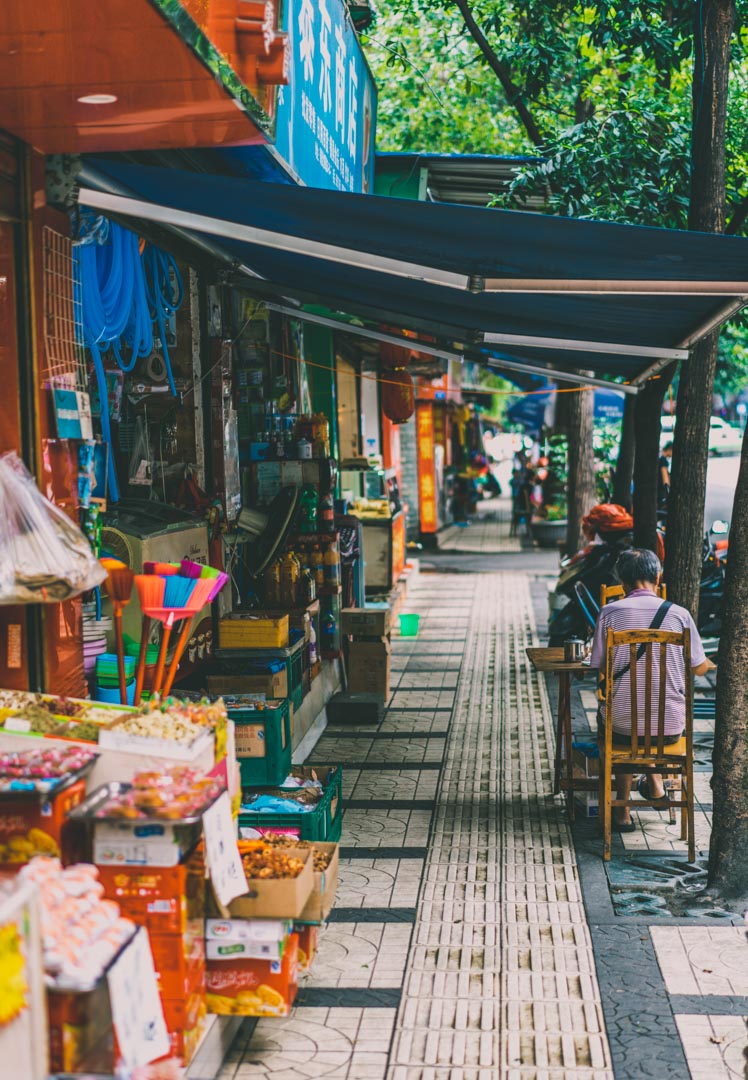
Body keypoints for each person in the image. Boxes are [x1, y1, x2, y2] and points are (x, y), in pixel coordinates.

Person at [589, 548, 714, 831]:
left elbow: (597, 664)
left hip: (622, 727)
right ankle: (656, 784)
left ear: (622, 582)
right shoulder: (679, 615)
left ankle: (622, 811)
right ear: (658, 576)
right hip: (670, 728)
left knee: (619, 719)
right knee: (651, 719)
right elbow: (699, 668)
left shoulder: (609, 613)